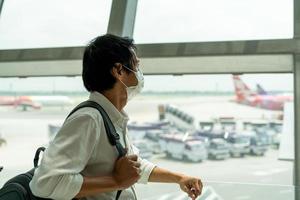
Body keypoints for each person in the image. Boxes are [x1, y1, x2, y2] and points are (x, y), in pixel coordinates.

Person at [29, 34, 203, 200]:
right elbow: (46, 183)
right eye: (135, 66)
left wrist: (179, 178)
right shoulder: (89, 119)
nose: (139, 73)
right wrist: (116, 181)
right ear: (119, 70)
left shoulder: (111, 117)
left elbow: (133, 168)